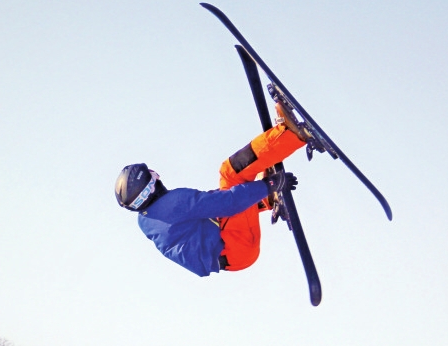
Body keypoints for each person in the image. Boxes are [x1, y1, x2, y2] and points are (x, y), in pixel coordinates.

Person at [115, 105, 311, 276]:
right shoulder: (173, 203)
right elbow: (228, 203)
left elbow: (210, 209)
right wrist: (269, 184)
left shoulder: (147, 221)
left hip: (234, 258)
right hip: (234, 245)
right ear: (150, 186)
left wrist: (262, 194)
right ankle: (291, 134)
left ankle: (266, 199)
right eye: (154, 175)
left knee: (227, 194)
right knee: (230, 172)